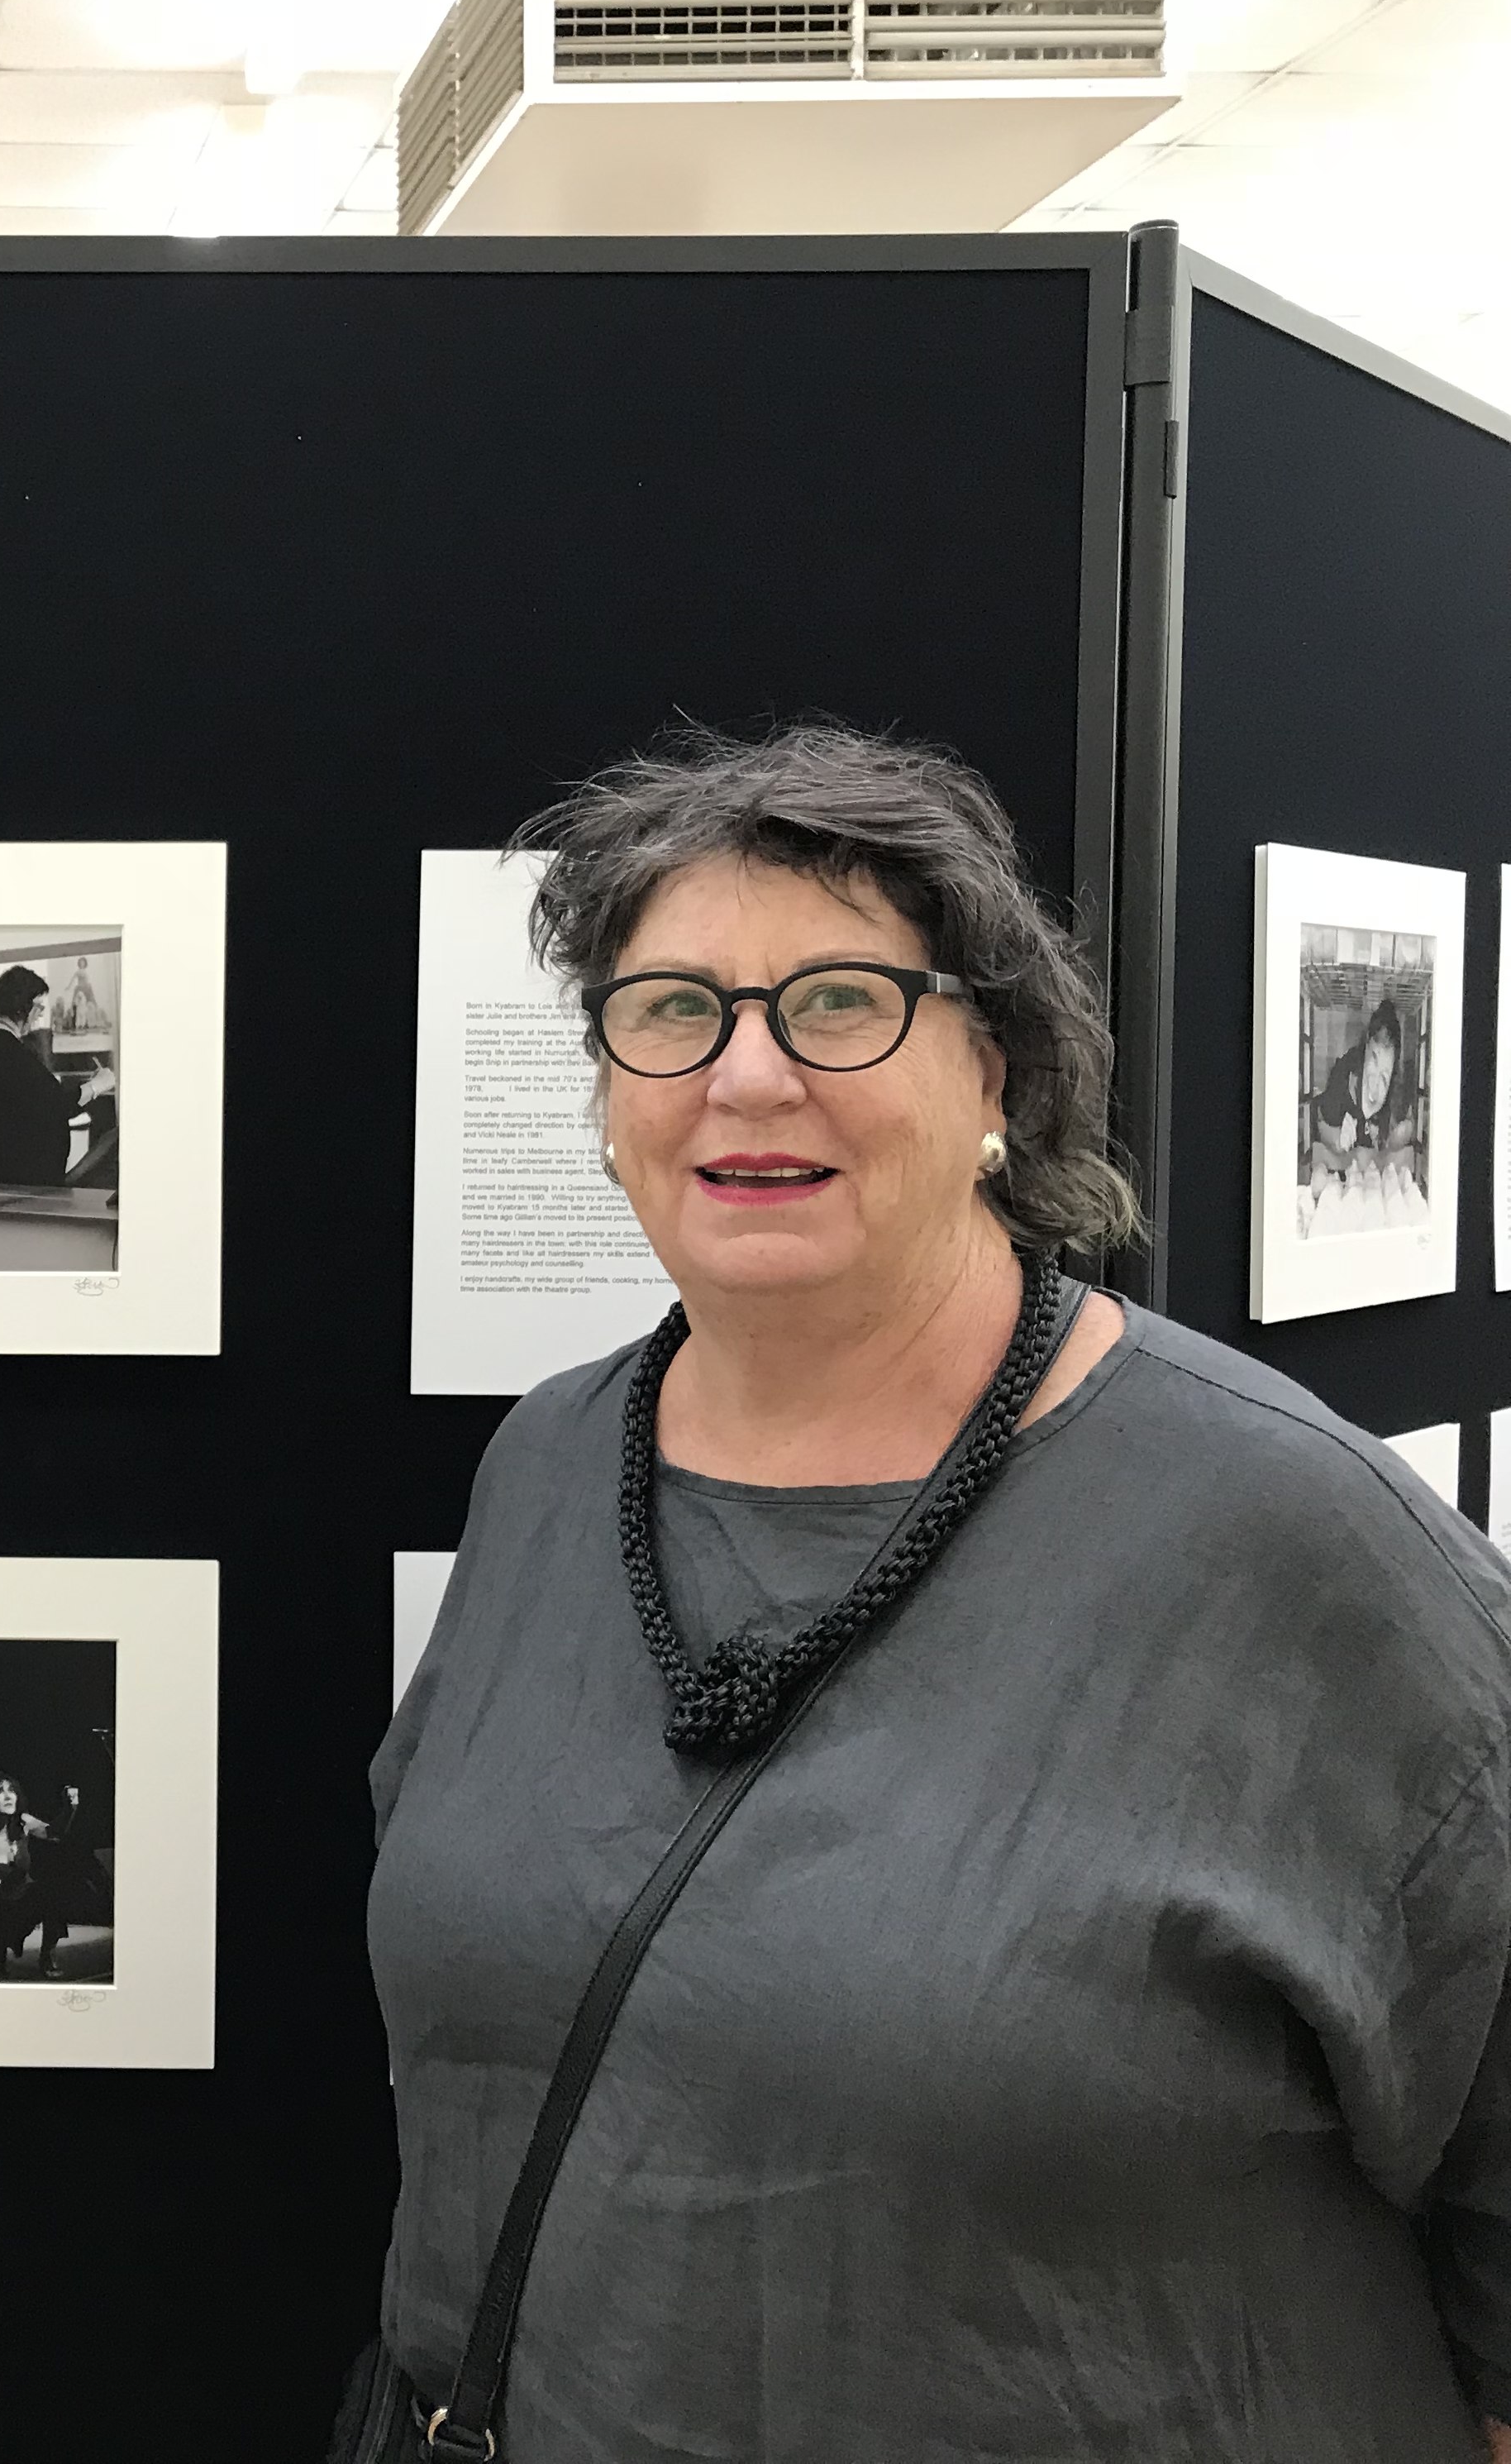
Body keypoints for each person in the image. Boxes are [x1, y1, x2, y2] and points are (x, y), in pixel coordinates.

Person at [356, 723, 1511, 2460]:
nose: (748, 1077)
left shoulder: (1304, 1541)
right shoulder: (549, 1463)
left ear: (999, 1078)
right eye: (671, 1009)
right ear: (606, 1096)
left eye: (840, 1002)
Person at [0, 965, 112, 1186]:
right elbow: (56, 1104)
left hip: (12, 1178)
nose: (41, 1013)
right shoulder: (5, 1049)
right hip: (18, 1184)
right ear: (21, 1007)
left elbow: (39, 1097)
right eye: (38, 1006)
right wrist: (97, 1086)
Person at [0, 1771, 79, 1981]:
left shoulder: (23, 1823)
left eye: (11, 1791)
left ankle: (47, 1956)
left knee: (53, 1890)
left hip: (19, 1900)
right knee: (0, 1907)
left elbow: (55, 1834)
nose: (8, 1797)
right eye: (0, 1792)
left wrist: (71, 1808)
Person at [1311, 991, 1417, 1182]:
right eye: (1373, 1063)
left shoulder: (1399, 1094)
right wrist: (1336, 1139)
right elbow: (1319, 1118)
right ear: (1366, 1049)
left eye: (1385, 1077)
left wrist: (1394, 1137)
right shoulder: (1344, 1075)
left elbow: (1408, 1124)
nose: (1375, 1088)